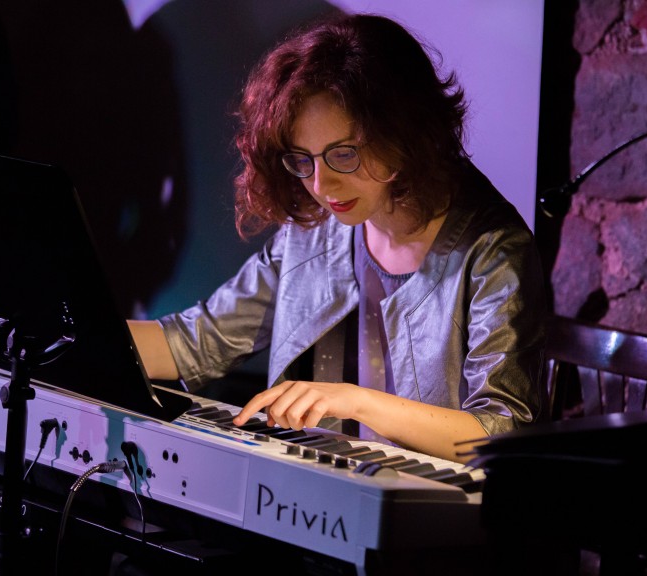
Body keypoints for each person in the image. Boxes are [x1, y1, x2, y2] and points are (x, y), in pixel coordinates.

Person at [129, 12, 547, 463]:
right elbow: (197, 342)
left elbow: (501, 431)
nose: (321, 186)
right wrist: (73, 330)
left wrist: (356, 400)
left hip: (436, 514)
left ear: (405, 133)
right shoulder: (315, 230)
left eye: (343, 154)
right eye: (302, 159)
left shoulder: (494, 252)